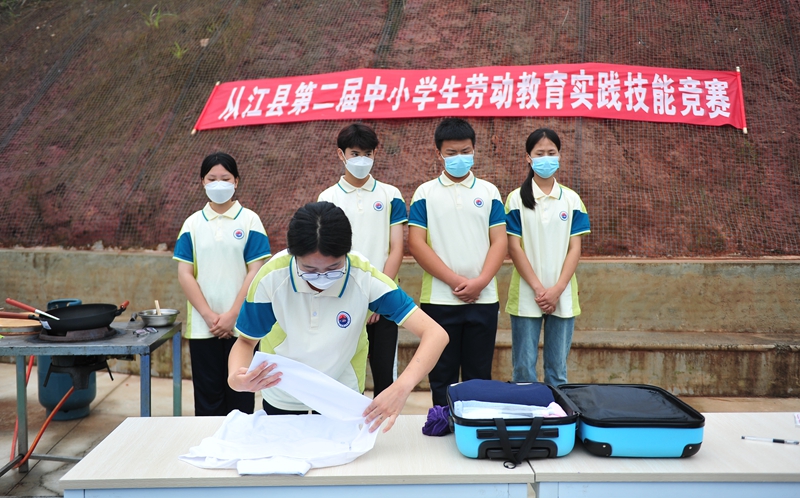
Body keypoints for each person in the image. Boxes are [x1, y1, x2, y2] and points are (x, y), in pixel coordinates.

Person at [228, 201, 448, 432]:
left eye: (334, 268)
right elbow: (245, 341)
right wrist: (236, 377)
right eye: (310, 270)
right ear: (293, 256)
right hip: (284, 386)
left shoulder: (363, 277)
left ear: (346, 253)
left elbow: (435, 334)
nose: (321, 277)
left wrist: (401, 387)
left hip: (342, 389)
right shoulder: (271, 278)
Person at [407, 118, 507, 407]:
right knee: (441, 372)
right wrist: (454, 281)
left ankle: (476, 425)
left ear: (475, 150)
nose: (459, 158)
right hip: (440, 299)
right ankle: (442, 420)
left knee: (479, 373)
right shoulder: (425, 193)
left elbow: (500, 241)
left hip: (484, 299)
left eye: (465, 151)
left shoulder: (489, 192)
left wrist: (480, 282)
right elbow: (416, 243)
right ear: (438, 154)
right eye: (451, 153)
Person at [173, 152, 271, 416]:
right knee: (207, 398)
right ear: (202, 182)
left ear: (236, 181)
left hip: (243, 329)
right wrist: (209, 316)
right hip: (204, 329)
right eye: (212, 178)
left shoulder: (250, 220)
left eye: (225, 178)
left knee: (241, 395)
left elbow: (256, 270)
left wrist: (232, 316)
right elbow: (185, 273)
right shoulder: (192, 224)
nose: (219, 184)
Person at [318, 123, 407, 398]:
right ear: (340, 154)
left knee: (384, 378)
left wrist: (378, 296)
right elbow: (327, 253)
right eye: (355, 153)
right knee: (341, 375)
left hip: (384, 299)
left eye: (367, 153)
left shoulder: (391, 195)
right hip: (341, 300)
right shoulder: (327, 198)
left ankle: (381, 434)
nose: (361, 160)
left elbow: (396, 248)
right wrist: (354, 297)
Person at [505, 128, 590, 386]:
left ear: (560, 156)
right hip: (526, 294)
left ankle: (558, 421)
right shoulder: (515, 199)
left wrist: (557, 289)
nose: (546, 158)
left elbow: (575, 248)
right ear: (528, 158)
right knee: (523, 371)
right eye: (539, 153)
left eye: (551, 153)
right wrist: (540, 289)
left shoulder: (572, 200)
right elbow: (514, 248)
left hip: (562, 294)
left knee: (557, 372)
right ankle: (525, 420)